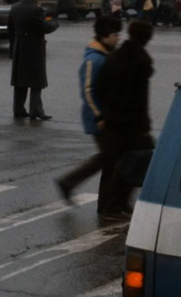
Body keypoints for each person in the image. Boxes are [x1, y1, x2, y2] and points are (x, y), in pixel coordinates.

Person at [56, 16, 124, 219]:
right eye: (115, 35)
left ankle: (104, 205)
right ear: (104, 36)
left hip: (108, 116)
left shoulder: (106, 55)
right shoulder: (94, 59)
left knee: (110, 159)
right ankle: (71, 183)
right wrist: (98, 115)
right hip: (99, 118)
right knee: (110, 157)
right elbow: (88, 91)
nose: (118, 38)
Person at [96, 20, 156, 224]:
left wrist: (104, 114)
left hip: (113, 120)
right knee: (135, 162)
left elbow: (101, 87)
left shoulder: (115, 57)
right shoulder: (140, 61)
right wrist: (144, 127)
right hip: (132, 124)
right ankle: (115, 205)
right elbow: (140, 99)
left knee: (120, 162)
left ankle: (116, 204)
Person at [8, 0, 60, 120]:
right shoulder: (36, 9)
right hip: (33, 48)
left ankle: (18, 109)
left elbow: (10, 30)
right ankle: (36, 110)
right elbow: (45, 27)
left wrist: (12, 48)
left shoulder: (15, 7)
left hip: (19, 47)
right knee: (36, 81)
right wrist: (54, 23)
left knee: (20, 81)